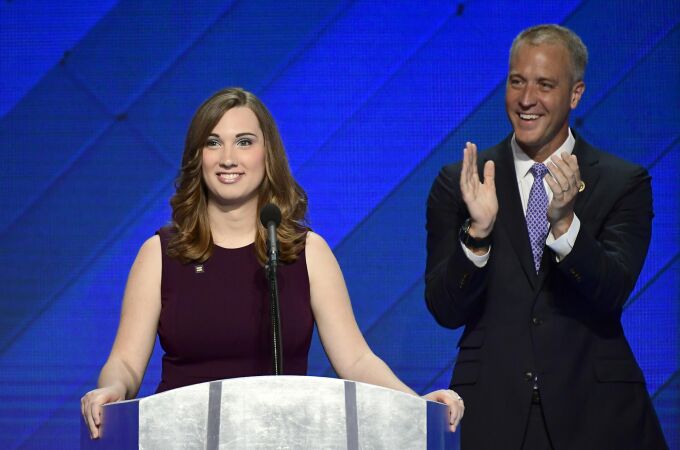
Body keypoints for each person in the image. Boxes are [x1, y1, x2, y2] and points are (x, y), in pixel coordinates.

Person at [81, 87, 464, 439]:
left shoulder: (307, 252)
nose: (228, 158)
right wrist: (112, 388)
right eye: (213, 143)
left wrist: (417, 405)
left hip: (284, 438)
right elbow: (125, 362)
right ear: (198, 158)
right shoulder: (161, 254)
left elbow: (356, 359)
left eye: (244, 142)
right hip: (181, 438)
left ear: (268, 154)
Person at [425, 24, 668, 450]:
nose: (526, 99)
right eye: (517, 81)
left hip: (597, 412)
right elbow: (445, 308)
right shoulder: (462, 182)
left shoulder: (622, 182)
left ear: (575, 94)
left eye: (544, 85)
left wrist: (564, 225)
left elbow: (611, 290)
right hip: (495, 411)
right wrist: (478, 234)